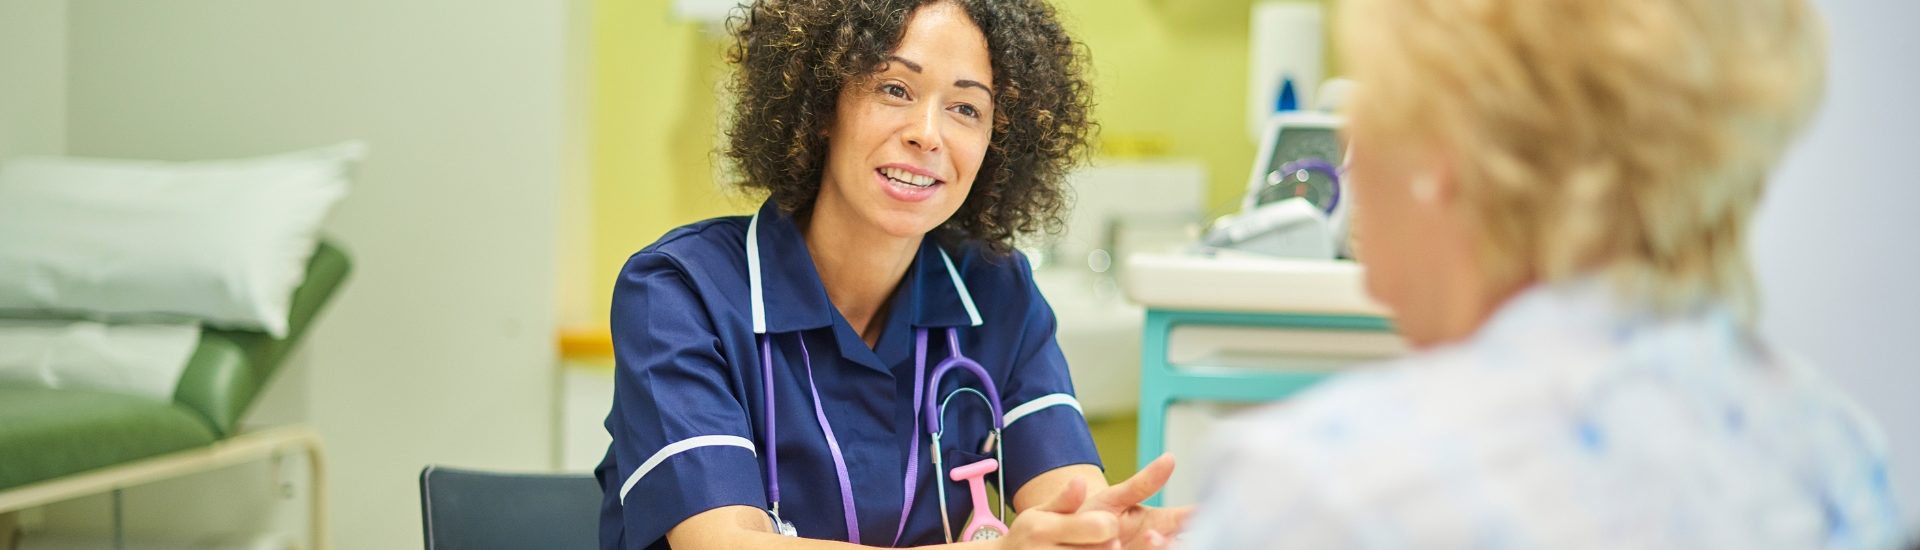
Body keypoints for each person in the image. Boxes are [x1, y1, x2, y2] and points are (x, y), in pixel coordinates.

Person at [1183, 0, 1904, 547]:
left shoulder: (1316, 492)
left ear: (1442, 148)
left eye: (1364, 92)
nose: (1345, 138)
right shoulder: (1831, 448)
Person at [594, 1, 1187, 548]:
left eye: (965, 108)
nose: (928, 134)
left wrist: (1097, 535)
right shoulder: (679, 291)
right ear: (823, 106)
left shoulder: (997, 291)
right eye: (895, 88)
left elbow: (1068, 500)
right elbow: (724, 544)